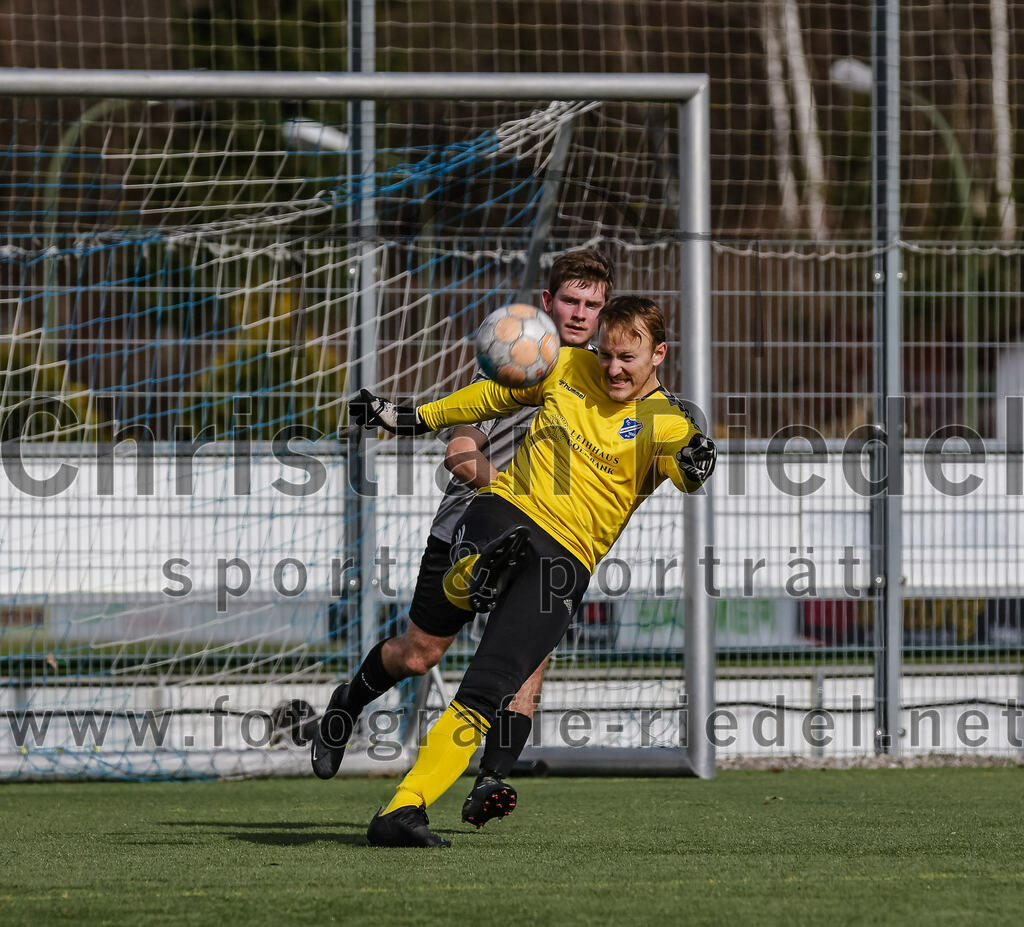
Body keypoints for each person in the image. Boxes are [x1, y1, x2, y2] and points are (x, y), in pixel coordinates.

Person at [352, 294, 717, 847]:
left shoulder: (664, 421)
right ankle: (471, 574)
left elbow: (686, 467)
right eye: (607, 354)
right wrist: (408, 417)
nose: (612, 368)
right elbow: (492, 394)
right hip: (508, 510)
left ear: (658, 354)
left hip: (567, 560)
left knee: (488, 688)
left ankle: (402, 811)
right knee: (487, 545)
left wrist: (697, 464)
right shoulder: (567, 365)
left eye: (627, 358)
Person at [310, 249, 614, 828]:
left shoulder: (604, 377)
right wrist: (517, 502)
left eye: (592, 305)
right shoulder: (512, 359)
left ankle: (492, 778)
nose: (580, 314)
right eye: (570, 301)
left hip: (546, 544)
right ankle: (347, 702)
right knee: (420, 655)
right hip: (473, 525)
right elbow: (459, 453)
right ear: (546, 304)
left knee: (528, 664)